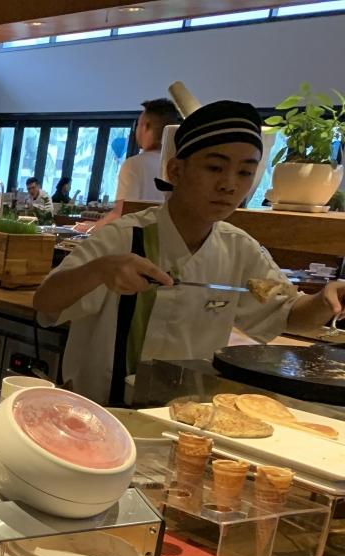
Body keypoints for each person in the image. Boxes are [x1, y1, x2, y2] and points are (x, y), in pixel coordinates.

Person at [34, 100, 345, 405]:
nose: (229, 185)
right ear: (176, 170)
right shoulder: (125, 235)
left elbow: (287, 315)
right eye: (215, 167)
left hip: (186, 412)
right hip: (100, 409)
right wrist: (99, 270)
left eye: (244, 172)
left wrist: (326, 300)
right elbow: (45, 303)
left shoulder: (239, 249)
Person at [78, 98, 181, 233]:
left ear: (145, 127)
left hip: (138, 240)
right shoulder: (179, 167)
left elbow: (122, 214)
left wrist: (90, 228)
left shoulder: (134, 165)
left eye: (138, 124)